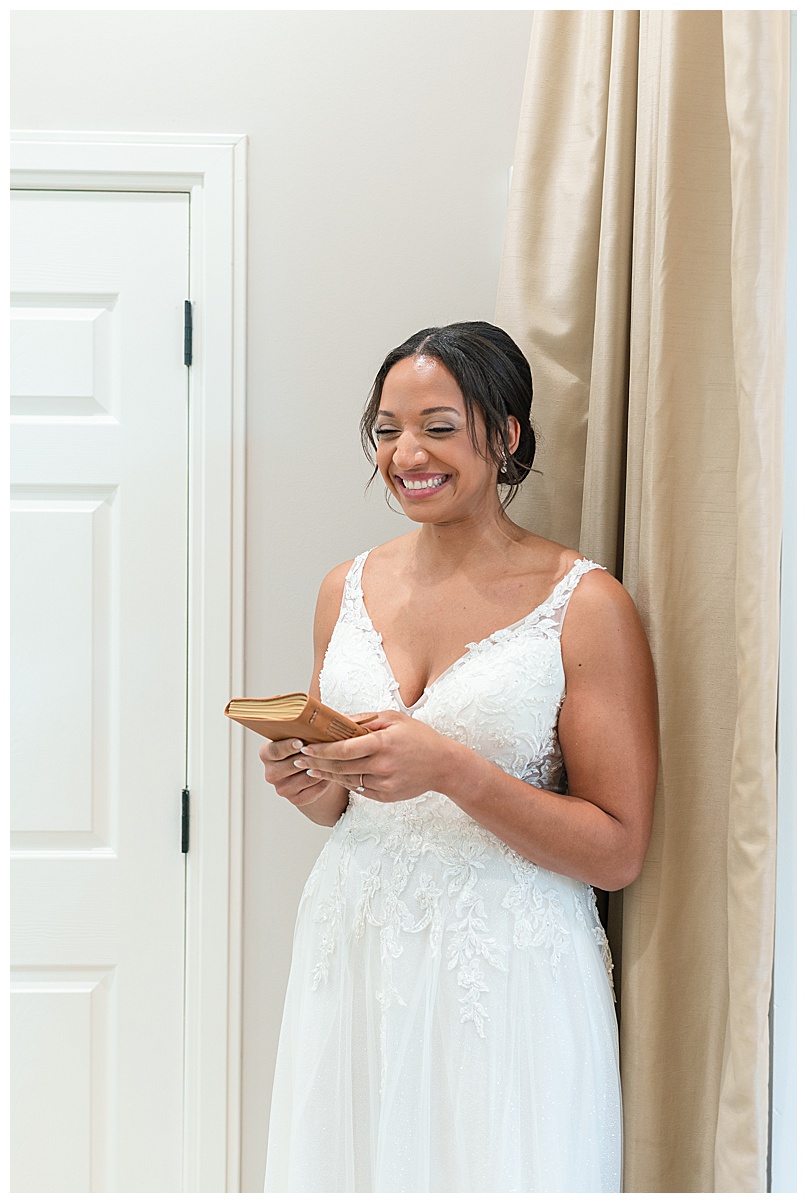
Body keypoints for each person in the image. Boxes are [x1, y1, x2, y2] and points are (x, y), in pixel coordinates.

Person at [258, 322, 656, 1189]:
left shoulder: (585, 604)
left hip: (507, 962)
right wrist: (309, 781)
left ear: (506, 434)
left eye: (439, 427)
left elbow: (618, 849)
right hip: (355, 939)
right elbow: (344, 800)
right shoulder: (344, 586)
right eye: (388, 429)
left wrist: (452, 769)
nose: (407, 454)